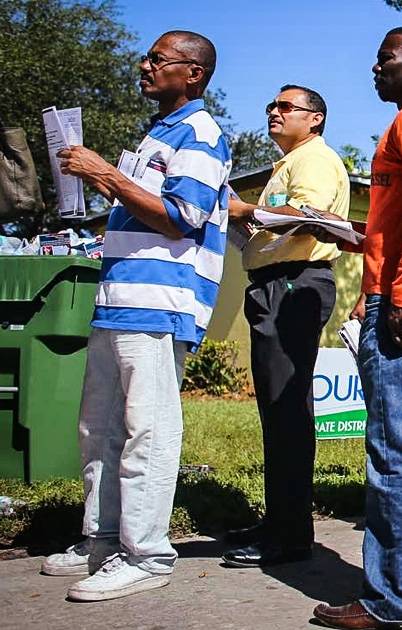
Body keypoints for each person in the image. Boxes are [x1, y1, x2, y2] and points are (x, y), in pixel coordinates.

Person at [41, 31, 231, 601]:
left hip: (158, 304)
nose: (143, 65)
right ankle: (102, 540)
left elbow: (182, 217)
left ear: (193, 73)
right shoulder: (160, 132)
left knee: (146, 430)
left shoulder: (201, 133)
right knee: (100, 429)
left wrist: (106, 175)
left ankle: (146, 554)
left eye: (157, 59)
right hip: (119, 299)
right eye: (146, 57)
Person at [312, 27, 402, 630]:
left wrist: (400, 294)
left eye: (386, 60)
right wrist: (354, 237)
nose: (376, 69)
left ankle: (394, 603)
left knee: (394, 454)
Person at [222, 84, 350, 568]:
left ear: (314, 118)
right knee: (279, 413)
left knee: (287, 410)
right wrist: (244, 224)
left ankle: (291, 536)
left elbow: (307, 217)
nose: (273, 113)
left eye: (286, 107)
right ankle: (281, 521)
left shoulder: (313, 160)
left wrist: (244, 210)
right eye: (270, 106)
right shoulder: (289, 162)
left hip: (294, 284)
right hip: (278, 282)